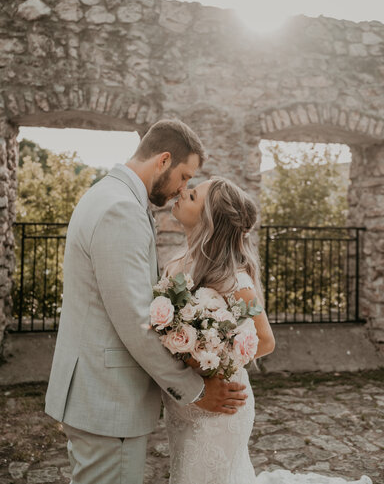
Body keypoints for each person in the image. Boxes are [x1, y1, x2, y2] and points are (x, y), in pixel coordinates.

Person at [45, 120, 248, 484]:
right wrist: (197, 391)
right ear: (164, 160)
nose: (183, 188)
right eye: (184, 176)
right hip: (108, 399)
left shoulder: (109, 196)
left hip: (97, 393)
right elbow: (137, 323)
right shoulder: (120, 209)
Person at [162, 176, 373, 484]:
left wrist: (213, 364)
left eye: (192, 196)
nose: (182, 192)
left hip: (222, 401)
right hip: (185, 405)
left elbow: (265, 340)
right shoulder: (176, 266)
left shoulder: (232, 280)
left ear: (210, 221)